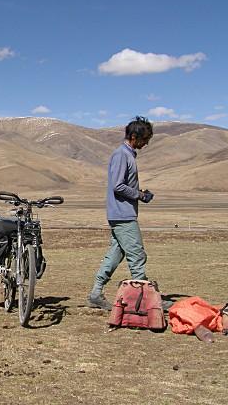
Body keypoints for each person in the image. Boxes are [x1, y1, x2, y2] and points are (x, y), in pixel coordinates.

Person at [87, 116, 166, 310]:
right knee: (137, 255)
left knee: (116, 253)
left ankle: (96, 294)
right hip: (123, 215)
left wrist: (139, 193)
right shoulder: (122, 155)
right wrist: (139, 195)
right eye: (144, 139)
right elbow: (118, 185)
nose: (146, 143)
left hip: (121, 213)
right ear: (133, 136)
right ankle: (145, 300)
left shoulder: (127, 154)